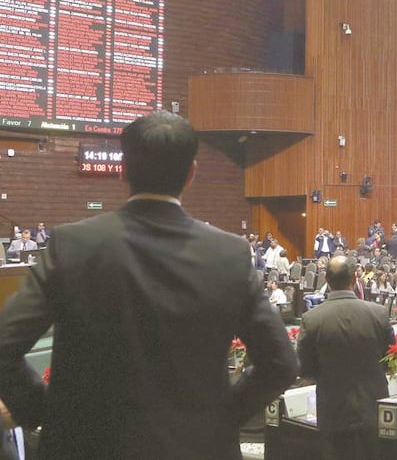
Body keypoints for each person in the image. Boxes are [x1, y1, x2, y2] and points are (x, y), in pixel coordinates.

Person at [0, 111, 298, 459]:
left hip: (85, 447)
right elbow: (280, 363)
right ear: (191, 175)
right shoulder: (229, 254)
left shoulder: (72, 245)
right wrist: (220, 416)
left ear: (125, 169)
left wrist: (46, 411)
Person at [298, 256, 394, 460]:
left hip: (333, 411)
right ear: (354, 278)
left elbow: (306, 369)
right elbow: (389, 362)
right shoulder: (379, 313)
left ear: (326, 278)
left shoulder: (312, 319)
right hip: (373, 408)